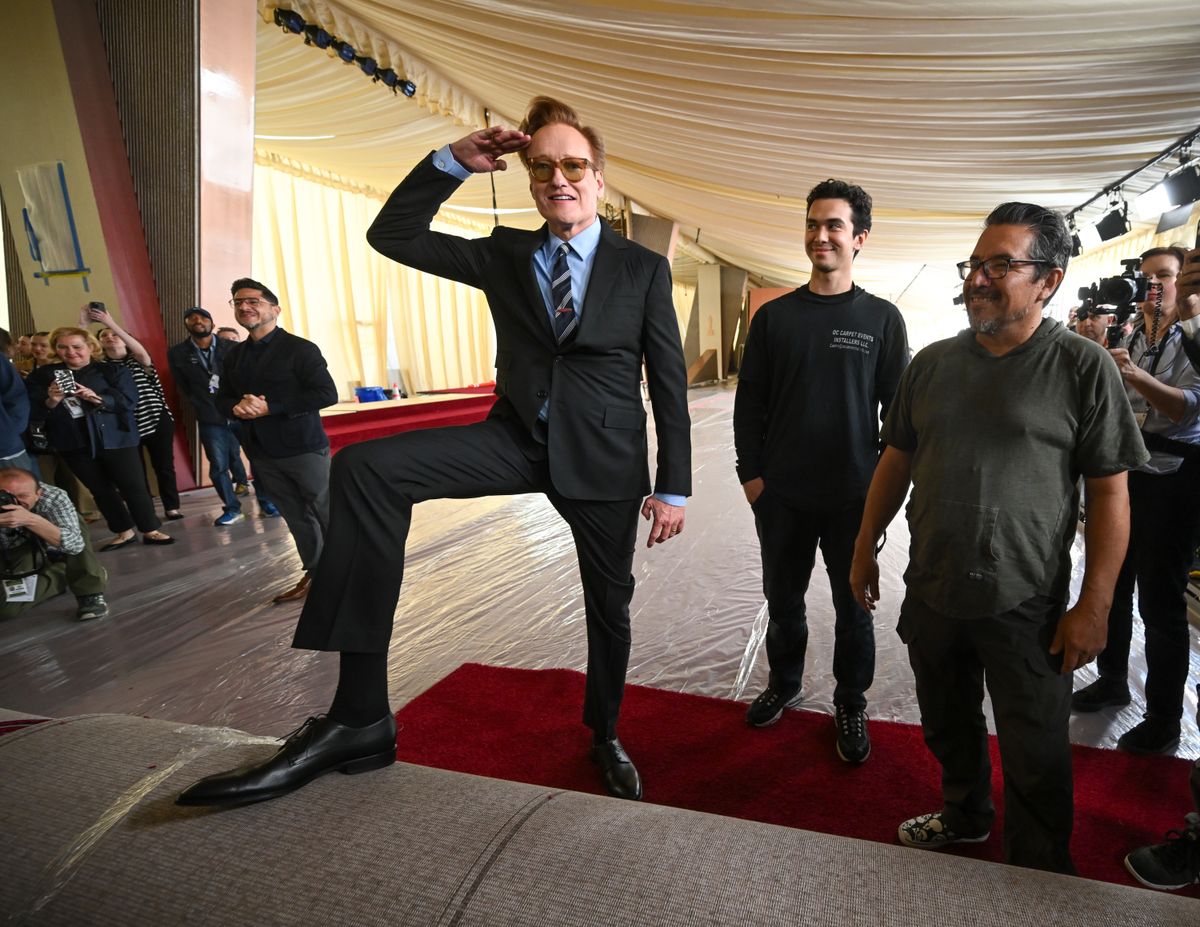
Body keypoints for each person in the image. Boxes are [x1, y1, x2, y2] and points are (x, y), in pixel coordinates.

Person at [177, 97, 690, 809]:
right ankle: (359, 715)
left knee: (610, 608)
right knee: (364, 469)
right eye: (542, 167)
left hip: (604, 458)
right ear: (530, 179)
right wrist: (452, 163)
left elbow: (668, 381)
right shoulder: (505, 253)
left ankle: (603, 731)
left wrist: (675, 487)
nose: (558, 179)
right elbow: (393, 233)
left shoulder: (642, 269)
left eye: (573, 165)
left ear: (599, 179)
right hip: (514, 439)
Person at [849, 203, 1147, 874]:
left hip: (1026, 600)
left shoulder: (1080, 367)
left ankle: (1038, 868)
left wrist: (1094, 604)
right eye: (975, 264)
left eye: (1001, 264)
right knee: (946, 723)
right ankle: (965, 814)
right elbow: (895, 459)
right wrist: (866, 542)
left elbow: (1109, 492)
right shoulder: (929, 364)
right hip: (933, 585)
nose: (979, 278)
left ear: (1049, 280)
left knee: (1035, 746)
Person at [733, 179, 908, 763]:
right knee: (782, 602)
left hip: (852, 498)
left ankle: (850, 700)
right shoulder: (775, 318)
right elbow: (749, 404)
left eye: (834, 226)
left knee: (853, 604)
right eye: (813, 224)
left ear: (859, 238)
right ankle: (784, 682)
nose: (821, 235)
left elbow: (898, 419)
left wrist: (880, 492)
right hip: (781, 495)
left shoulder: (882, 319)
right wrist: (753, 479)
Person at [1069, 247, 1200, 755]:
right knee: (1113, 583)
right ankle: (1112, 679)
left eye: (1165, 277)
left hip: (1177, 478)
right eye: (1147, 278)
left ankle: (1165, 718)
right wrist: (1100, 352)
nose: (1154, 288)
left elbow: (1188, 410)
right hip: (1130, 472)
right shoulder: (1136, 333)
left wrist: (1135, 374)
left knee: (1162, 603)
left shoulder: (1193, 336)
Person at [216, 278, 337, 604]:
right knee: (296, 517)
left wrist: (272, 407)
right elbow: (222, 398)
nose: (244, 307)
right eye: (238, 302)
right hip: (260, 450)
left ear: (275, 309)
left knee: (328, 512)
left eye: (253, 301)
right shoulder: (234, 355)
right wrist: (235, 407)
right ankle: (316, 574)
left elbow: (326, 394)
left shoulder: (300, 349)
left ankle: (352, 574)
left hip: (303, 447)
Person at [25, 327, 174, 550]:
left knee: (133, 485)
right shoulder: (43, 375)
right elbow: (33, 411)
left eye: (77, 347)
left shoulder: (112, 370)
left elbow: (129, 401)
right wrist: (52, 400)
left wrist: (98, 398)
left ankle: (150, 528)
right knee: (100, 489)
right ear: (56, 349)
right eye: (63, 347)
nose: (71, 352)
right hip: (72, 441)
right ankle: (123, 531)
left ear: (90, 347)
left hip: (116, 437)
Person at [166, 307, 278, 525]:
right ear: (186, 324)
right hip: (210, 416)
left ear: (212, 322)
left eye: (203, 317)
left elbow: (249, 376)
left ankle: (267, 502)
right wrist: (200, 403)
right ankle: (232, 508)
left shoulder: (233, 347)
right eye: (192, 318)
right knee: (218, 467)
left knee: (258, 459)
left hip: (240, 413)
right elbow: (183, 386)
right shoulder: (177, 353)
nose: (198, 321)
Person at [90, 306, 183, 521]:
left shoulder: (138, 360)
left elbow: (140, 352)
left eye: (115, 335)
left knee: (164, 466)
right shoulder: (100, 368)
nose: (110, 337)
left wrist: (110, 323)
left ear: (125, 339)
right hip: (125, 424)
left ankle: (172, 507)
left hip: (156, 418)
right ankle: (146, 511)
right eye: (104, 336)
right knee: (135, 472)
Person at [0, 467, 107, 621]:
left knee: (75, 522)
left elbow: (75, 545)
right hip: (10, 548)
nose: (14, 502)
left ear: (39, 493)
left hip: (35, 539)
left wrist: (31, 519)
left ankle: (86, 586)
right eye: (4, 496)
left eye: (22, 496)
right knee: (5, 606)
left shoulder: (53, 497)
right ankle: (57, 568)